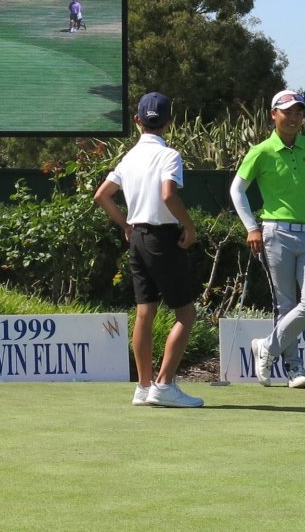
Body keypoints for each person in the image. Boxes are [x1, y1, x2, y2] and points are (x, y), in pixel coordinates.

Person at [93, 92, 204, 408]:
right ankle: (164, 385)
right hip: (162, 239)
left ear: (138, 121)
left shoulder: (129, 158)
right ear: (170, 121)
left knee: (145, 312)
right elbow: (169, 196)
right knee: (186, 312)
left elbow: (102, 195)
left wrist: (126, 226)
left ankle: (143, 388)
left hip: (138, 239)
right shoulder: (170, 156)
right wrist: (190, 226)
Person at [229, 89, 305, 389]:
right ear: (273, 115)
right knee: (286, 303)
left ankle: (267, 346)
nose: (293, 117)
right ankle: (294, 370)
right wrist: (251, 226)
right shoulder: (261, 151)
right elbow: (236, 189)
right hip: (274, 232)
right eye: (287, 111)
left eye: (298, 112)